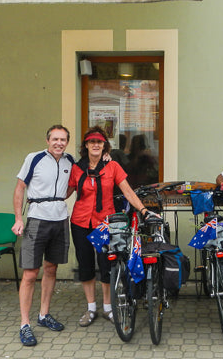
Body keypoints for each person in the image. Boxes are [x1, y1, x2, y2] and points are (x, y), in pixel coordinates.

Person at [68, 126, 150, 327]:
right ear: (86, 145)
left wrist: (144, 210)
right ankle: (91, 308)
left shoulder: (112, 166)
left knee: (107, 265)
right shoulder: (77, 168)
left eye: (99, 142)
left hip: (105, 223)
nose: (95, 144)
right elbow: (65, 191)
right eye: (91, 141)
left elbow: (129, 192)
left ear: (105, 145)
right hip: (80, 222)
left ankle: (107, 307)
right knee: (85, 265)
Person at [12, 124, 74, 346]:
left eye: (63, 139)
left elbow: (72, 186)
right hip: (37, 220)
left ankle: (44, 314)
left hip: (60, 220)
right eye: (55, 139)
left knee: (51, 268)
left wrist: (57, 199)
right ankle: (25, 324)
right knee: (30, 273)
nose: (59, 143)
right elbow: (20, 188)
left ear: (67, 142)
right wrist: (19, 218)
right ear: (48, 140)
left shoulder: (70, 161)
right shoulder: (34, 158)